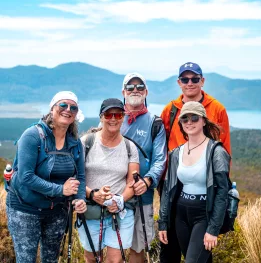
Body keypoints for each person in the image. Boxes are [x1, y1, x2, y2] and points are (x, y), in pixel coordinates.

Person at [159, 62, 231, 262]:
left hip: (204, 210)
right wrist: (163, 222)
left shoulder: (215, 146)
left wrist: (214, 228)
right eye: (185, 119)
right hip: (179, 208)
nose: (189, 122)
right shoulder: (176, 149)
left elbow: (221, 187)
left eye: (194, 118)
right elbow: (168, 185)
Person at [6, 91, 87, 263]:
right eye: (63, 105)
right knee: (26, 259)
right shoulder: (32, 135)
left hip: (57, 210)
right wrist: (61, 190)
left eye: (73, 107)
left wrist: (80, 199)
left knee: (51, 260)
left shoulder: (75, 142)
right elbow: (25, 177)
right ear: (52, 108)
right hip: (25, 207)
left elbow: (79, 175)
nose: (68, 110)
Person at [77, 98, 140, 263]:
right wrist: (93, 194)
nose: (113, 118)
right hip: (90, 210)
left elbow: (132, 182)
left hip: (119, 212)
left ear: (123, 117)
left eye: (118, 115)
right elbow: (76, 177)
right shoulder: (86, 142)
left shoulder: (129, 147)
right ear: (101, 117)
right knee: (92, 258)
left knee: (115, 260)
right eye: (108, 114)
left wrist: (120, 200)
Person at [120, 72, 167, 263]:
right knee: (114, 247)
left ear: (146, 92)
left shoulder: (155, 123)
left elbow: (160, 160)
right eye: (130, 87)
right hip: (115, 194)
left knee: (137, 249)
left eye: (140, 87)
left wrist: (148, 181)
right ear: (123, 91)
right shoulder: (112, 117)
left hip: (143, 196)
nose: (135, 90)